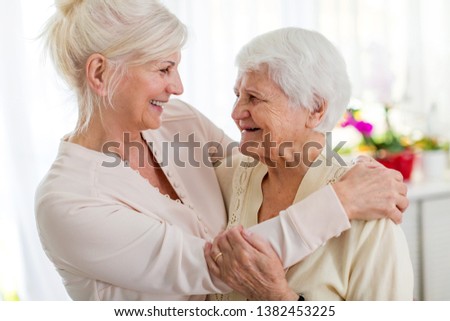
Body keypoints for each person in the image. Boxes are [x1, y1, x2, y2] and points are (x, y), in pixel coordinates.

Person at [35, 0, 409, 301]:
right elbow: (218, 265)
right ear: (100, 74)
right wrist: (341, 199)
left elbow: (262, 154)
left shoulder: (174, 120)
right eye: (164, 69)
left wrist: (352, 168)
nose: (177, 86)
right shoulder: (68, 201)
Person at [206, 27, 414, 301]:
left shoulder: (372, 214)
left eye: (254, 97)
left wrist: (278, 298)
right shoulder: (225, 178)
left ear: (315, 109)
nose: (236, 113)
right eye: (238, 95)